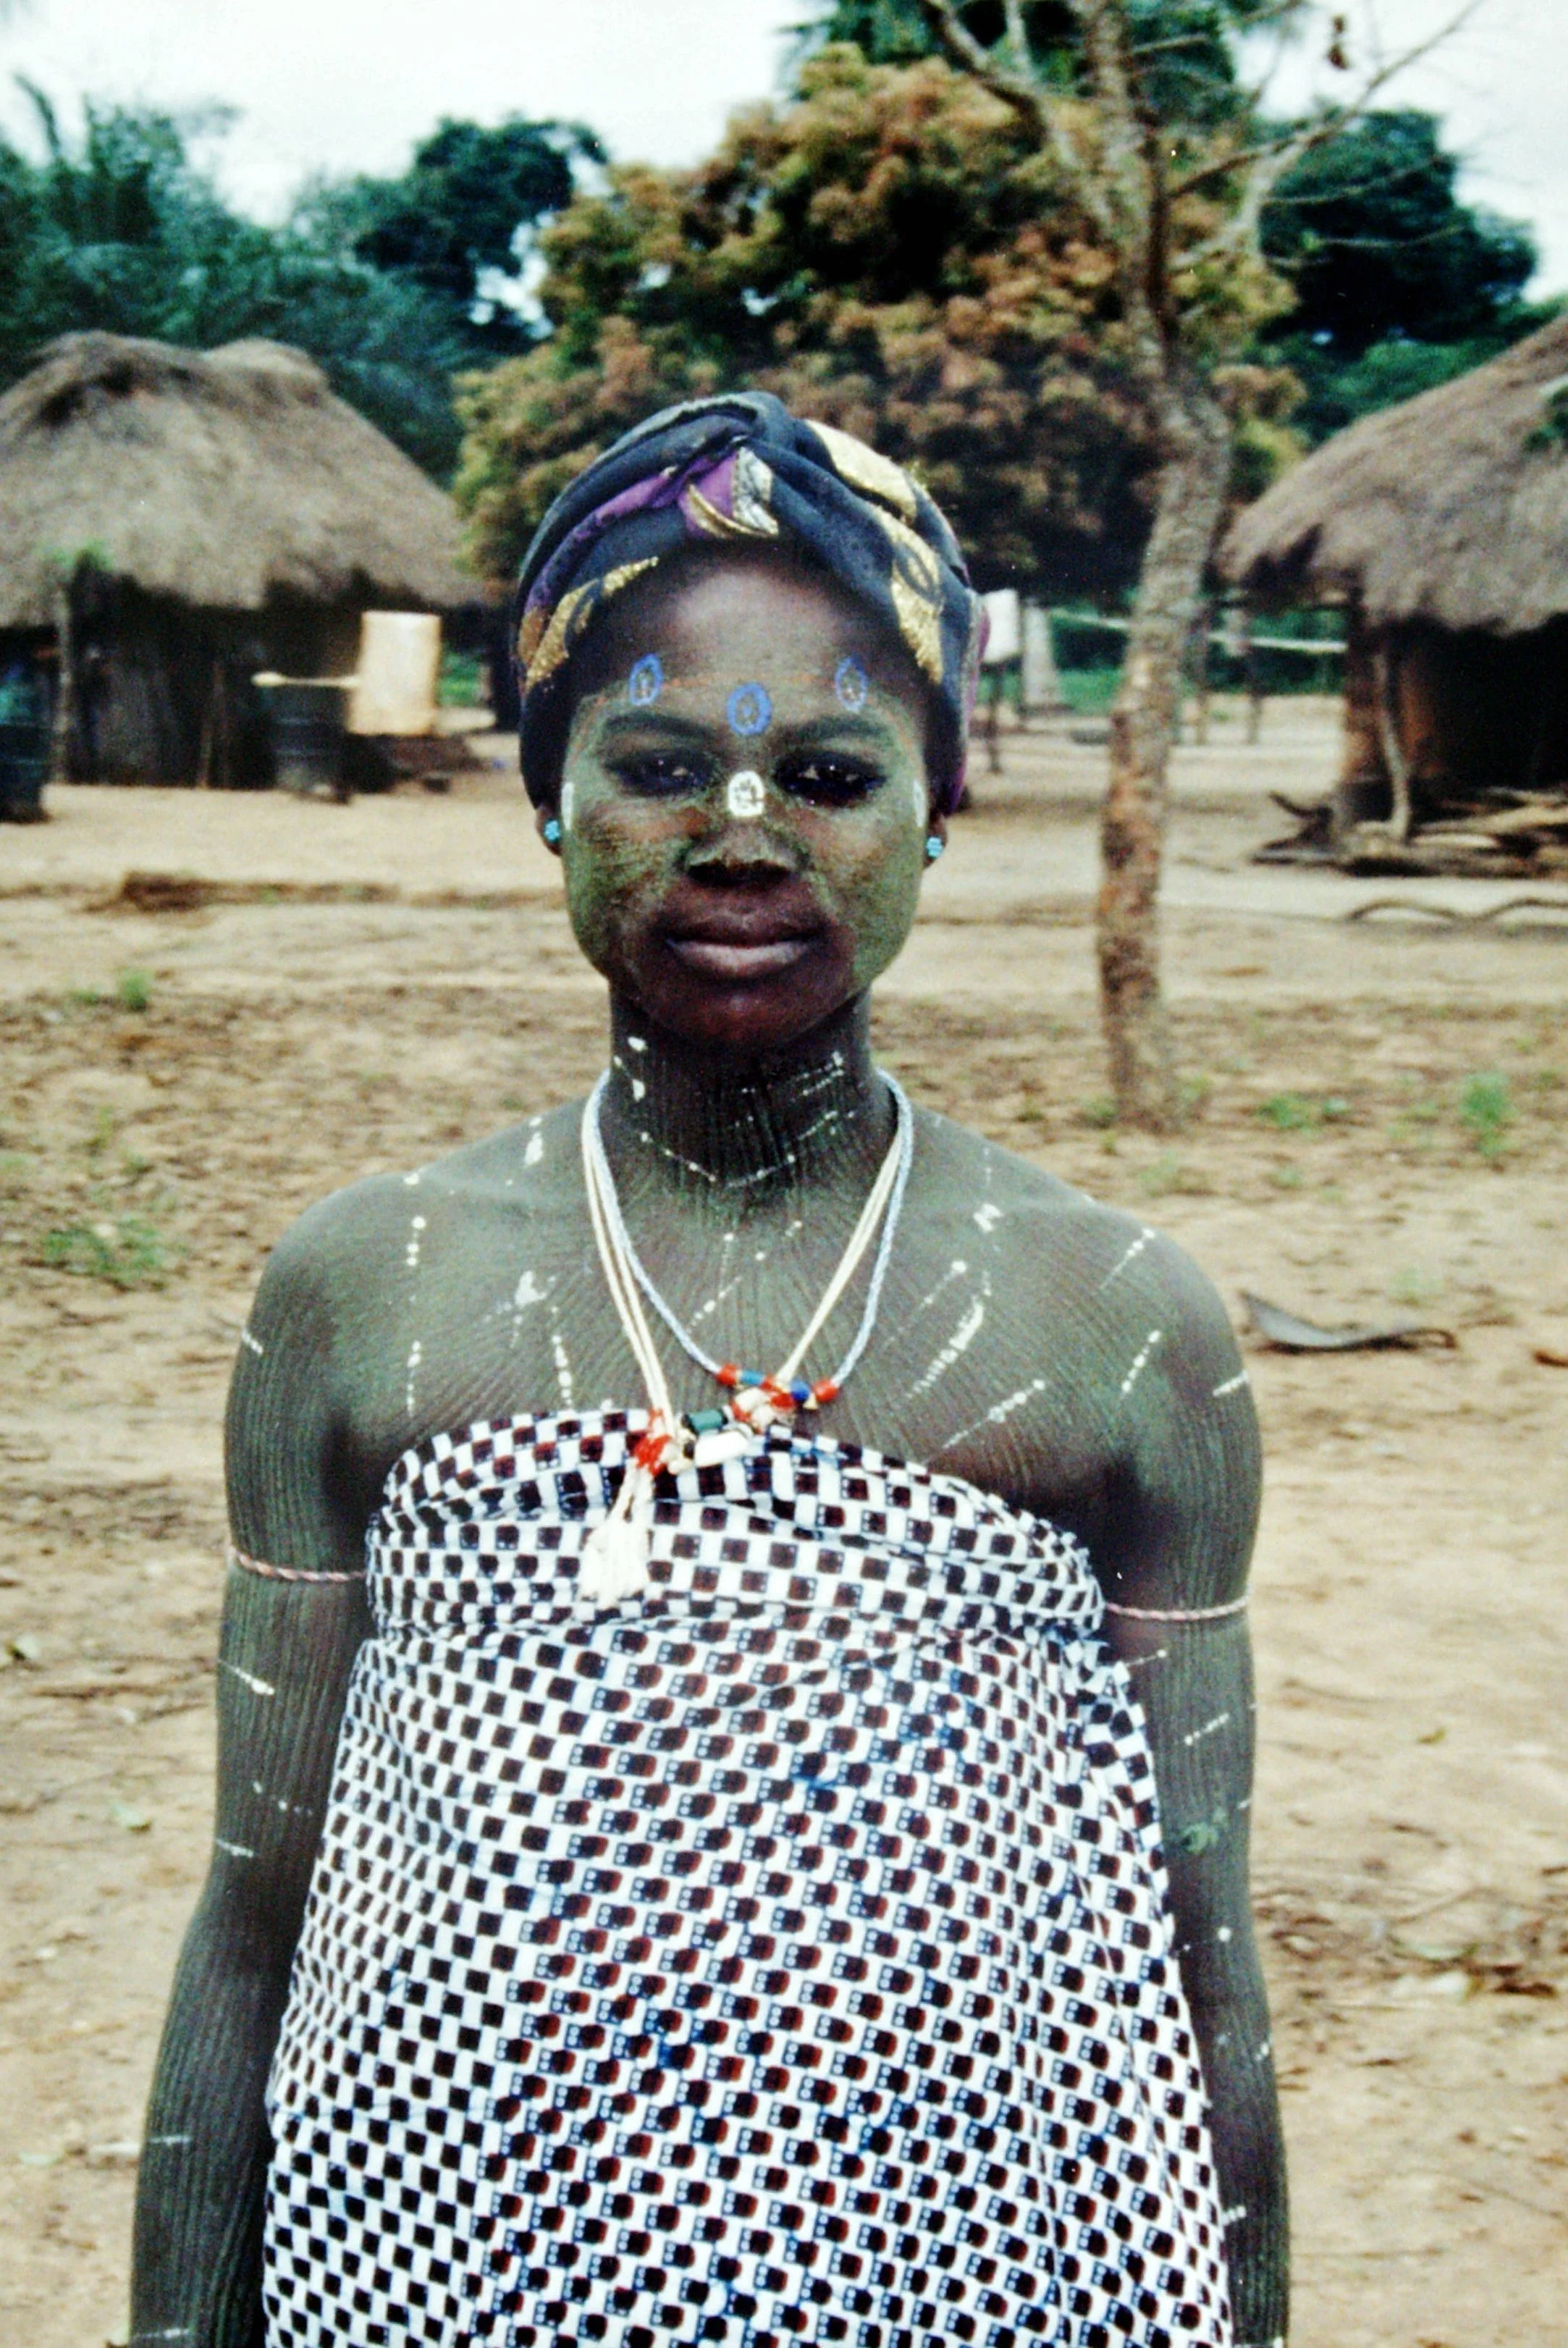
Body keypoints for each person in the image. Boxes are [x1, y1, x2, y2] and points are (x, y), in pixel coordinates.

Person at [132, 395, 1285, 2348]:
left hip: (944, 2271)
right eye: (659, 763)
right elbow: (258, 1917)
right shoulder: (367, 1291)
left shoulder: (1110, 1326)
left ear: (935, 809)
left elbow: (1198, 1972)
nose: (742, 833)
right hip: (430, 2270)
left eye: (828, 771)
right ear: (547, 798)